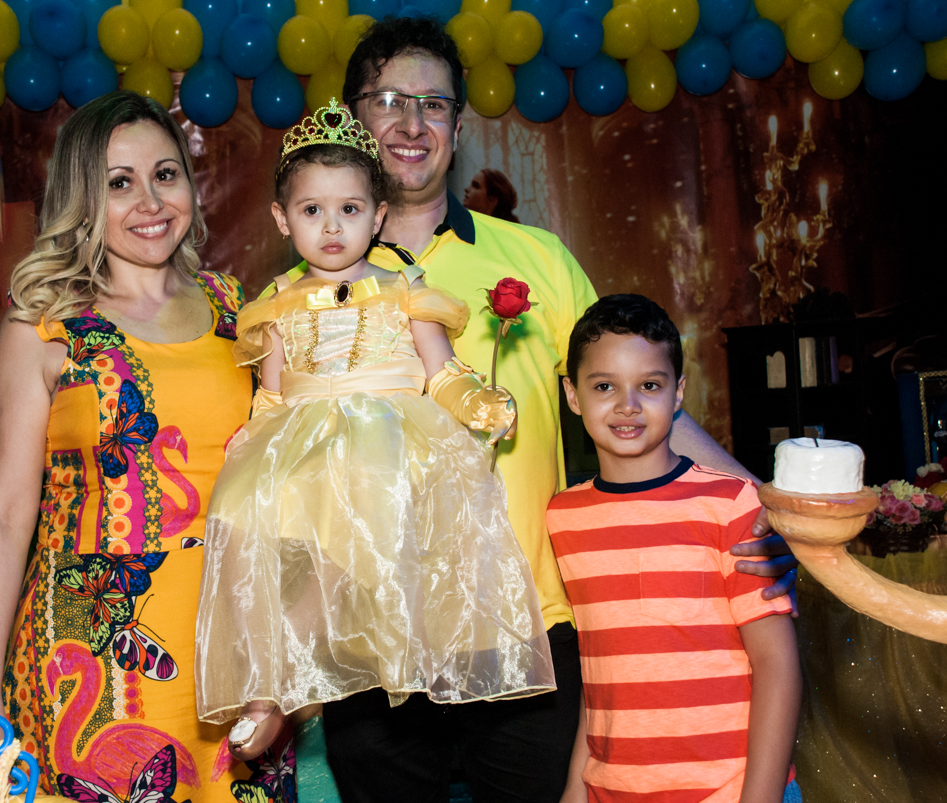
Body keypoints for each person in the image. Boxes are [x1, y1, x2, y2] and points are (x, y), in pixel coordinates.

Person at [261, 15, 797, 802]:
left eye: (434, 104)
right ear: (352, 119)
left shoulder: (538, 259)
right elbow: (277, 462)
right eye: (389, 101)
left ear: (457, 129)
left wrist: (764, 510)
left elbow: (642, 404)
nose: (411, 123)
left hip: (528, 633)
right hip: (373, 638)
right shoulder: (298, 294)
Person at [193, 101, 555, 761]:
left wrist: (475, 401)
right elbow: (272, 394)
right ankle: (266, 683)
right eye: (312, 210)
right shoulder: (276, 305)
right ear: (282, 218)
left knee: (373, 524)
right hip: (308, 444)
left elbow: (440, 372)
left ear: (379, 215)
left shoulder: (404, 288)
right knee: (243, 513)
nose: (332, 227)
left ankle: (369, 667)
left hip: (389, 443)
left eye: (350, 209)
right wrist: (253, 440)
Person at [0, 91, 285, 802]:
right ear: (81, 199)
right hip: (94, 657)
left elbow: (283, 491)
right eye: (119, 183)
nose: (150, 202)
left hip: (234, 654)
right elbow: (2, 515)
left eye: (165, 174)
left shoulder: (242, 311)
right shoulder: (42, 326)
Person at [548, 294, 801, 803]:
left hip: (729, 790)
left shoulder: (731, 504)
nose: (628, 405)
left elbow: (778, 665)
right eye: (604, 386)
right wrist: (577, 786)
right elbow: (603, 676)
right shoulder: (563, 517)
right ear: (573, 395)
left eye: (649, 385)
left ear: (678, 392)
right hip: (611, 791)